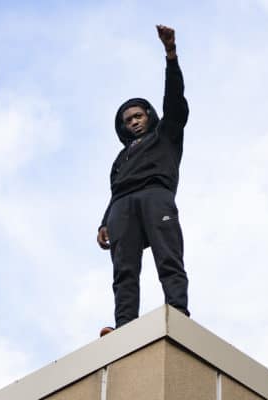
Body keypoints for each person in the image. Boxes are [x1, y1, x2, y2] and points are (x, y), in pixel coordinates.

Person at [97, 25, 190, 330]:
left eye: (138, 116)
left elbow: (175, 102)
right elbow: (115, 190)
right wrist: (104, 220)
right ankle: (124, 327)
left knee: (168, 256)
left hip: (156, 195)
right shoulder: (120, 158)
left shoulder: (166, 135)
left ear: (148, 116)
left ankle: (177, 312)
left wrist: (171, 55)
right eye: (128, 120)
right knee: (124, 270)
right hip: (122, 208)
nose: (134, 122)